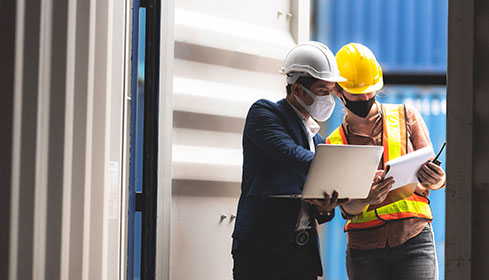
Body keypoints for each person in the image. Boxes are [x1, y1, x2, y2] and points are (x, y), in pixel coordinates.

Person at [326, 43, 446, 280]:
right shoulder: (335, 142)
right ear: (338, 92)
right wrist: (366, 199)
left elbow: (433, 173)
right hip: (365, 249)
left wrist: (439, 178)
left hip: (414, 239)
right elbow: (346, 208)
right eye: (356, 93)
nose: (366, 97)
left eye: (370, 90)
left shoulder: (406, 116)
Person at [231, 41, 348, 280]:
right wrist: (340, 167)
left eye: (332, 91)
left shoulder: (317, 139)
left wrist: (326, 207)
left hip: (302, 254)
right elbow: (290, 155)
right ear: (297, 90)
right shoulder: (264, 114)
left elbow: (315, 200)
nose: (329, 99)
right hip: (262, 252)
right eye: (323, 91)